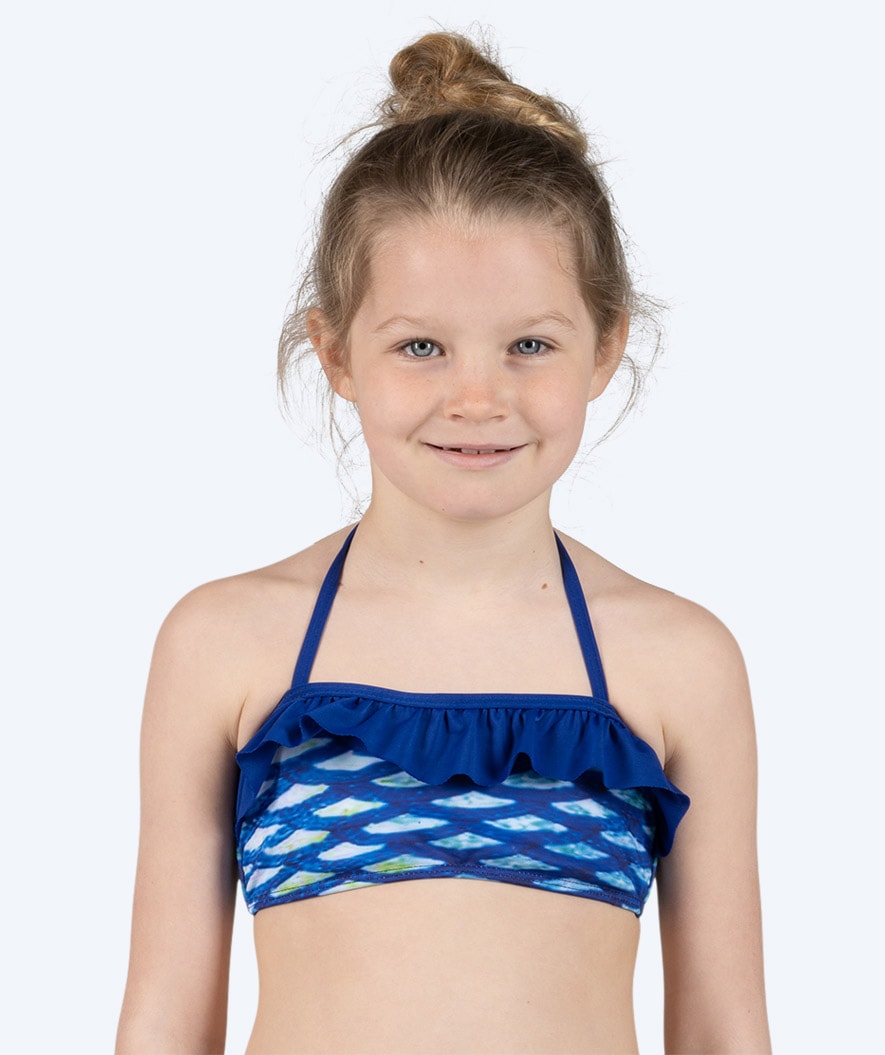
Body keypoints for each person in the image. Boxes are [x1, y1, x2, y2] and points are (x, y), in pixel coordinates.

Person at [116, 30, 770, 1055]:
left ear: (604, 347)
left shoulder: (680, 661)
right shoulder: (225, 643)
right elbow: (162, 1021)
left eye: (529, 344)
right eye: (421, 345)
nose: (477, 396)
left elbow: (725, 1030)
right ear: (336, 351)